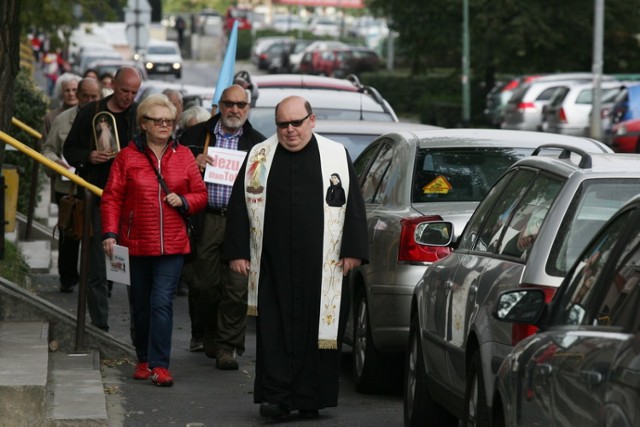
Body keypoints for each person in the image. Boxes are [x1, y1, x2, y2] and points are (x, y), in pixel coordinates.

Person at [224, 95, 368, 419]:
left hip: (324, 263)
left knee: (316, 332)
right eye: (283, 124)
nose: (290, 130)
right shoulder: (258, 156)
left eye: (296, 123)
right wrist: (237, 251)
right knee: (274, 331)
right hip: (272, 263)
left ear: (311, 121)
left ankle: (310, 397)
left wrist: (354, 251)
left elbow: (354, 206)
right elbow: (238, 208)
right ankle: (275, 397)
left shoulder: (335, 155)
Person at [101, 93, 207, 386]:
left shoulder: (184, 155)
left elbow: (201, 195)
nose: (164, 125)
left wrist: (184, 201)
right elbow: (111, 198)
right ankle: (143, 359)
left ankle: (160, 365)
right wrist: (109, 234)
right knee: (140, 304)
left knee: (161, 302)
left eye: (169, 121)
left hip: (172, 244)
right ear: (143, 123)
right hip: (136, 244)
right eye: (157, 120)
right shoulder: (127, 157)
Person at [178, 84, 266, 363]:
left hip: (242, 222)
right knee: (203, 286)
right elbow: (169, 173)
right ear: (220, 105)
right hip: (207, 218)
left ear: (248, 108)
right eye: (229, 104)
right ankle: (209, 332)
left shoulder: (258, 143)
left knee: (237, 288)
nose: (235, 110)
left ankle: (228, 347)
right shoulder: (194, 135)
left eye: (241, 105)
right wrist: (192, 164)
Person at [63, 66, 142, 332]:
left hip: (133, 201)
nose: (128, 97)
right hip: (99, 196)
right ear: (113, 86)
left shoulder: (140, 115)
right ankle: (99, 325)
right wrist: (88, 156)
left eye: (134, 92)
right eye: (124, 91)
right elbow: (69, 149)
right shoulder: (91, 112)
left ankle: (138, 328)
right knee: (97, 265)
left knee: (134, 269)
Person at [41, 77, 102, 293]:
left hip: (97, 186)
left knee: (99, 235)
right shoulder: (63, 119)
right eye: (85, 95)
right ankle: (68, 278)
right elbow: (47, 148)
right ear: (78, 96)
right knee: (69, 234)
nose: (89, 100)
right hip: (68, 187)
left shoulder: (105, 120)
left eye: (94, 96)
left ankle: (100, 282)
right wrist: (55, 162)